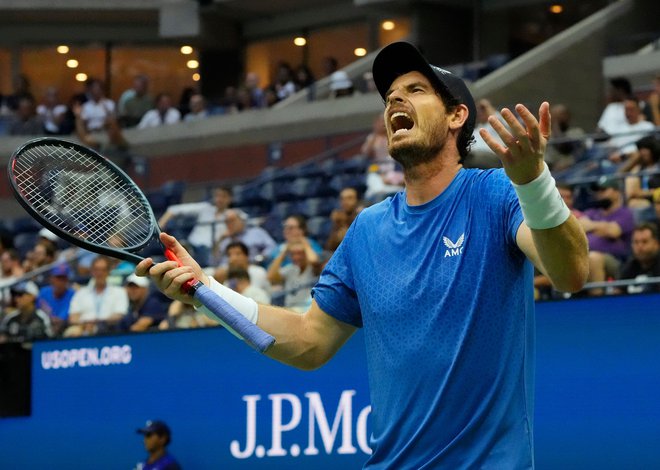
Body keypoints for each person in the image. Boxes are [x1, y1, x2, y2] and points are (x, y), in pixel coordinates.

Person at [137, 41, 588, 468]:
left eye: (415, 90)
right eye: (390, 96)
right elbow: (308, 342)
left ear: (457, 115)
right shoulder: (368, 229)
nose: (395, 102)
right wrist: (206, 291)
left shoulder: (494, 195)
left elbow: (570, 273)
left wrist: (533, 182)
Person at [579, 175, 635, 296]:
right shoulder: (592, 212)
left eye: (603, 190)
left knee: (594, 257)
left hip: (618, 262)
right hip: (584, 256)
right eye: (598, 191)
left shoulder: (625, 213)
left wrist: (591, 226)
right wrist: (603, 226)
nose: (599, 194)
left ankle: (597, 299)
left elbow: (613, 231)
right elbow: (580, 227)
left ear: (616, 192)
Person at [64, 256, 129, 337]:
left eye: (103, 270)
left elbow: (119, 315)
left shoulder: (119, 291)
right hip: (83, 329)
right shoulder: (81, 293)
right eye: (96, 270)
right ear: (91, 271)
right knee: (72, 332)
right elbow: (73, 318)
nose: (99, 273)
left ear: (109, 272)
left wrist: (97, 323)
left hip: (109, 330)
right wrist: (86, 324)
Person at [267, 240, 321, 312]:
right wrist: (284, 253)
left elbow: (314, 260)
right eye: (293, 254)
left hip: (307, 309)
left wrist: (306, 245)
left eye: (300, 253)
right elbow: (271, 276)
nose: (296, 257)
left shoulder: (313, 268)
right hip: (290, 309)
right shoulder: (290, 268)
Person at [617, 222, 660, 294]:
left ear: (657, 244)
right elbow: (618, 293)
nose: (639, 246)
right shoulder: (629, 267)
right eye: (636, 242)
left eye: (644, 242)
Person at [37, 264, 75, 336]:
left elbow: (65, 317)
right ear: (51, 279)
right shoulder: (44, 292)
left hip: (65, 328)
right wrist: (51, 318)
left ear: (67, 280)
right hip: (45, 327)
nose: (60, 282)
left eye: (63, 278)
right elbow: (40, 311)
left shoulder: (72, 294)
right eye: (58, 278)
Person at [325, 187, 363, 251]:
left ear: (357, 200)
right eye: (342, 199)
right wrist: (338, 224)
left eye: (349, 198)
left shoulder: (362, 216)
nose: (345, 202)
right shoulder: (339, 218)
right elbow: (330, 247)